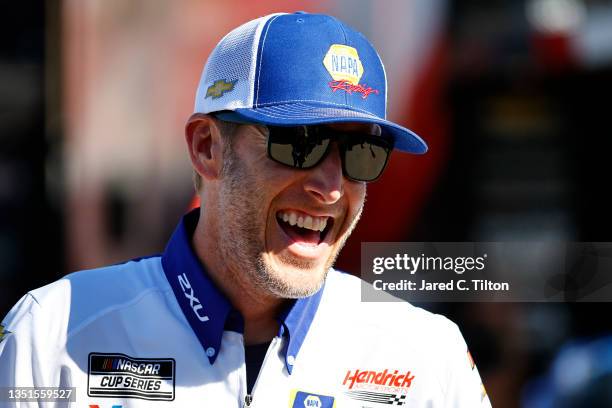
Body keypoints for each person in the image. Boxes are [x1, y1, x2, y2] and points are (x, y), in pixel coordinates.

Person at [0, 12, 492, 407]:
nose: (331, 186)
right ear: (207, 147)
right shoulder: (52, 331)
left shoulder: (426, 353)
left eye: (362, 154)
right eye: (300, 143)